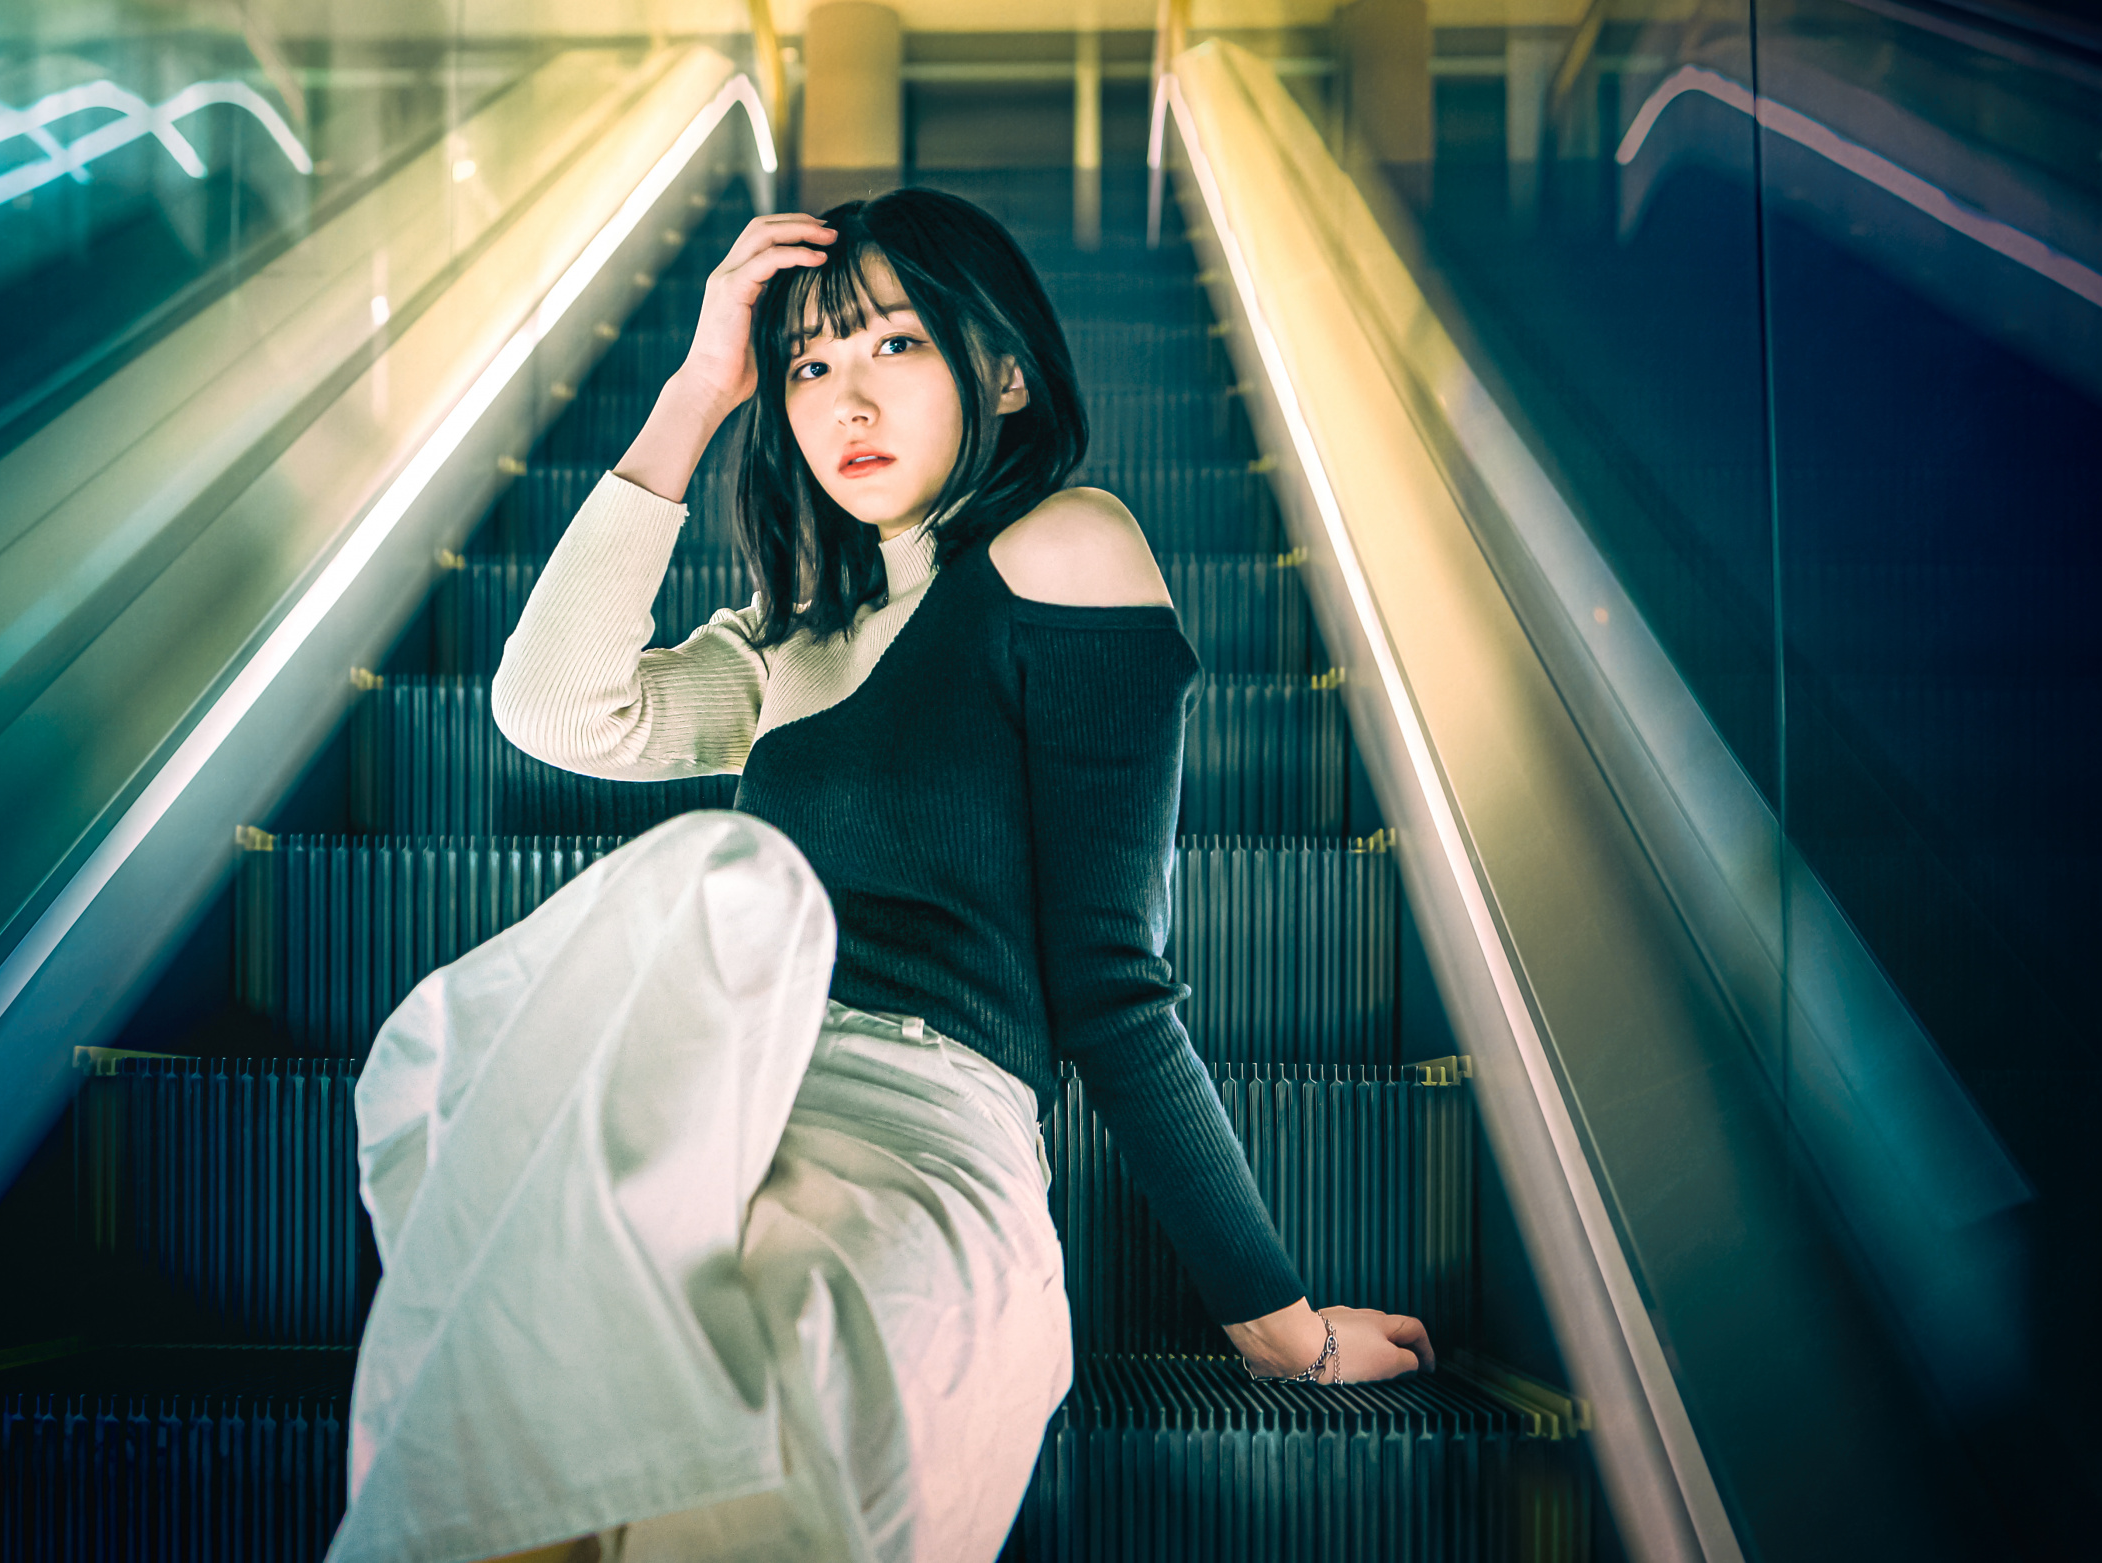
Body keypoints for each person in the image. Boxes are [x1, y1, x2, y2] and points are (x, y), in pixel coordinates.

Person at [326, 188, 1434, 1563]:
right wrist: (697, 388)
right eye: (807, 364)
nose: (844, 400)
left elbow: (1112, 988)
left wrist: (1282, 1328)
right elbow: (552, 709)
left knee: (758, 1399)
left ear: (1007, 375)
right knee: (537, 1364)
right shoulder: (788, 634)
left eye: (895, 345)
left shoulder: (1065, 549)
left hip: (919, 1125)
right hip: (705, 1089)